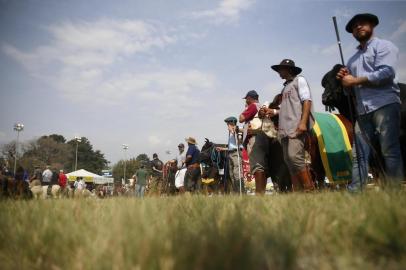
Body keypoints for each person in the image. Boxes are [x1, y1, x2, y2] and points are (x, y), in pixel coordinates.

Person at [337, 13, 404, 190]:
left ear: (372, 25)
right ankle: (355, 193)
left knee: (389, 149)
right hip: (363, 110)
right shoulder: (352, 60)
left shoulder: (384, 46)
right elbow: (349, 89)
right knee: (359, 154)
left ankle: (394, 190)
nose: (358, 27)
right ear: (352, 32)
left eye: (362, 23)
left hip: (385, 104)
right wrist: (344, 81)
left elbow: (386, 73)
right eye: (354, 26)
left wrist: (355, 80)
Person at [266, 59, 314, 191]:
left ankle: (309, 189)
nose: (279, 72)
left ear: (289, 69)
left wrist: (303, 122)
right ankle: (297, 192)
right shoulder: (285, 87)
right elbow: (287, 108)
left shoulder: (300, 81)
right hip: (284, 130)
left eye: (281, 69)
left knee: (295, 157)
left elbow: (306, 101)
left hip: (296, 127)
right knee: (289, 161)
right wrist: (274, 111)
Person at [216, 117, 244, 194]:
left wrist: (234, 131)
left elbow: (240, 142)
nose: (227, 126)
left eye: (228, 124)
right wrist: (222, 149)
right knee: (231, 174)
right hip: (231, 153)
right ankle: (236, 191)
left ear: (231, 124)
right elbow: (231, 147)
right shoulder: (231, 135)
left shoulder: (238, 130)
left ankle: (241, 191)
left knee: (237, 172)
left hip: (236, 153)